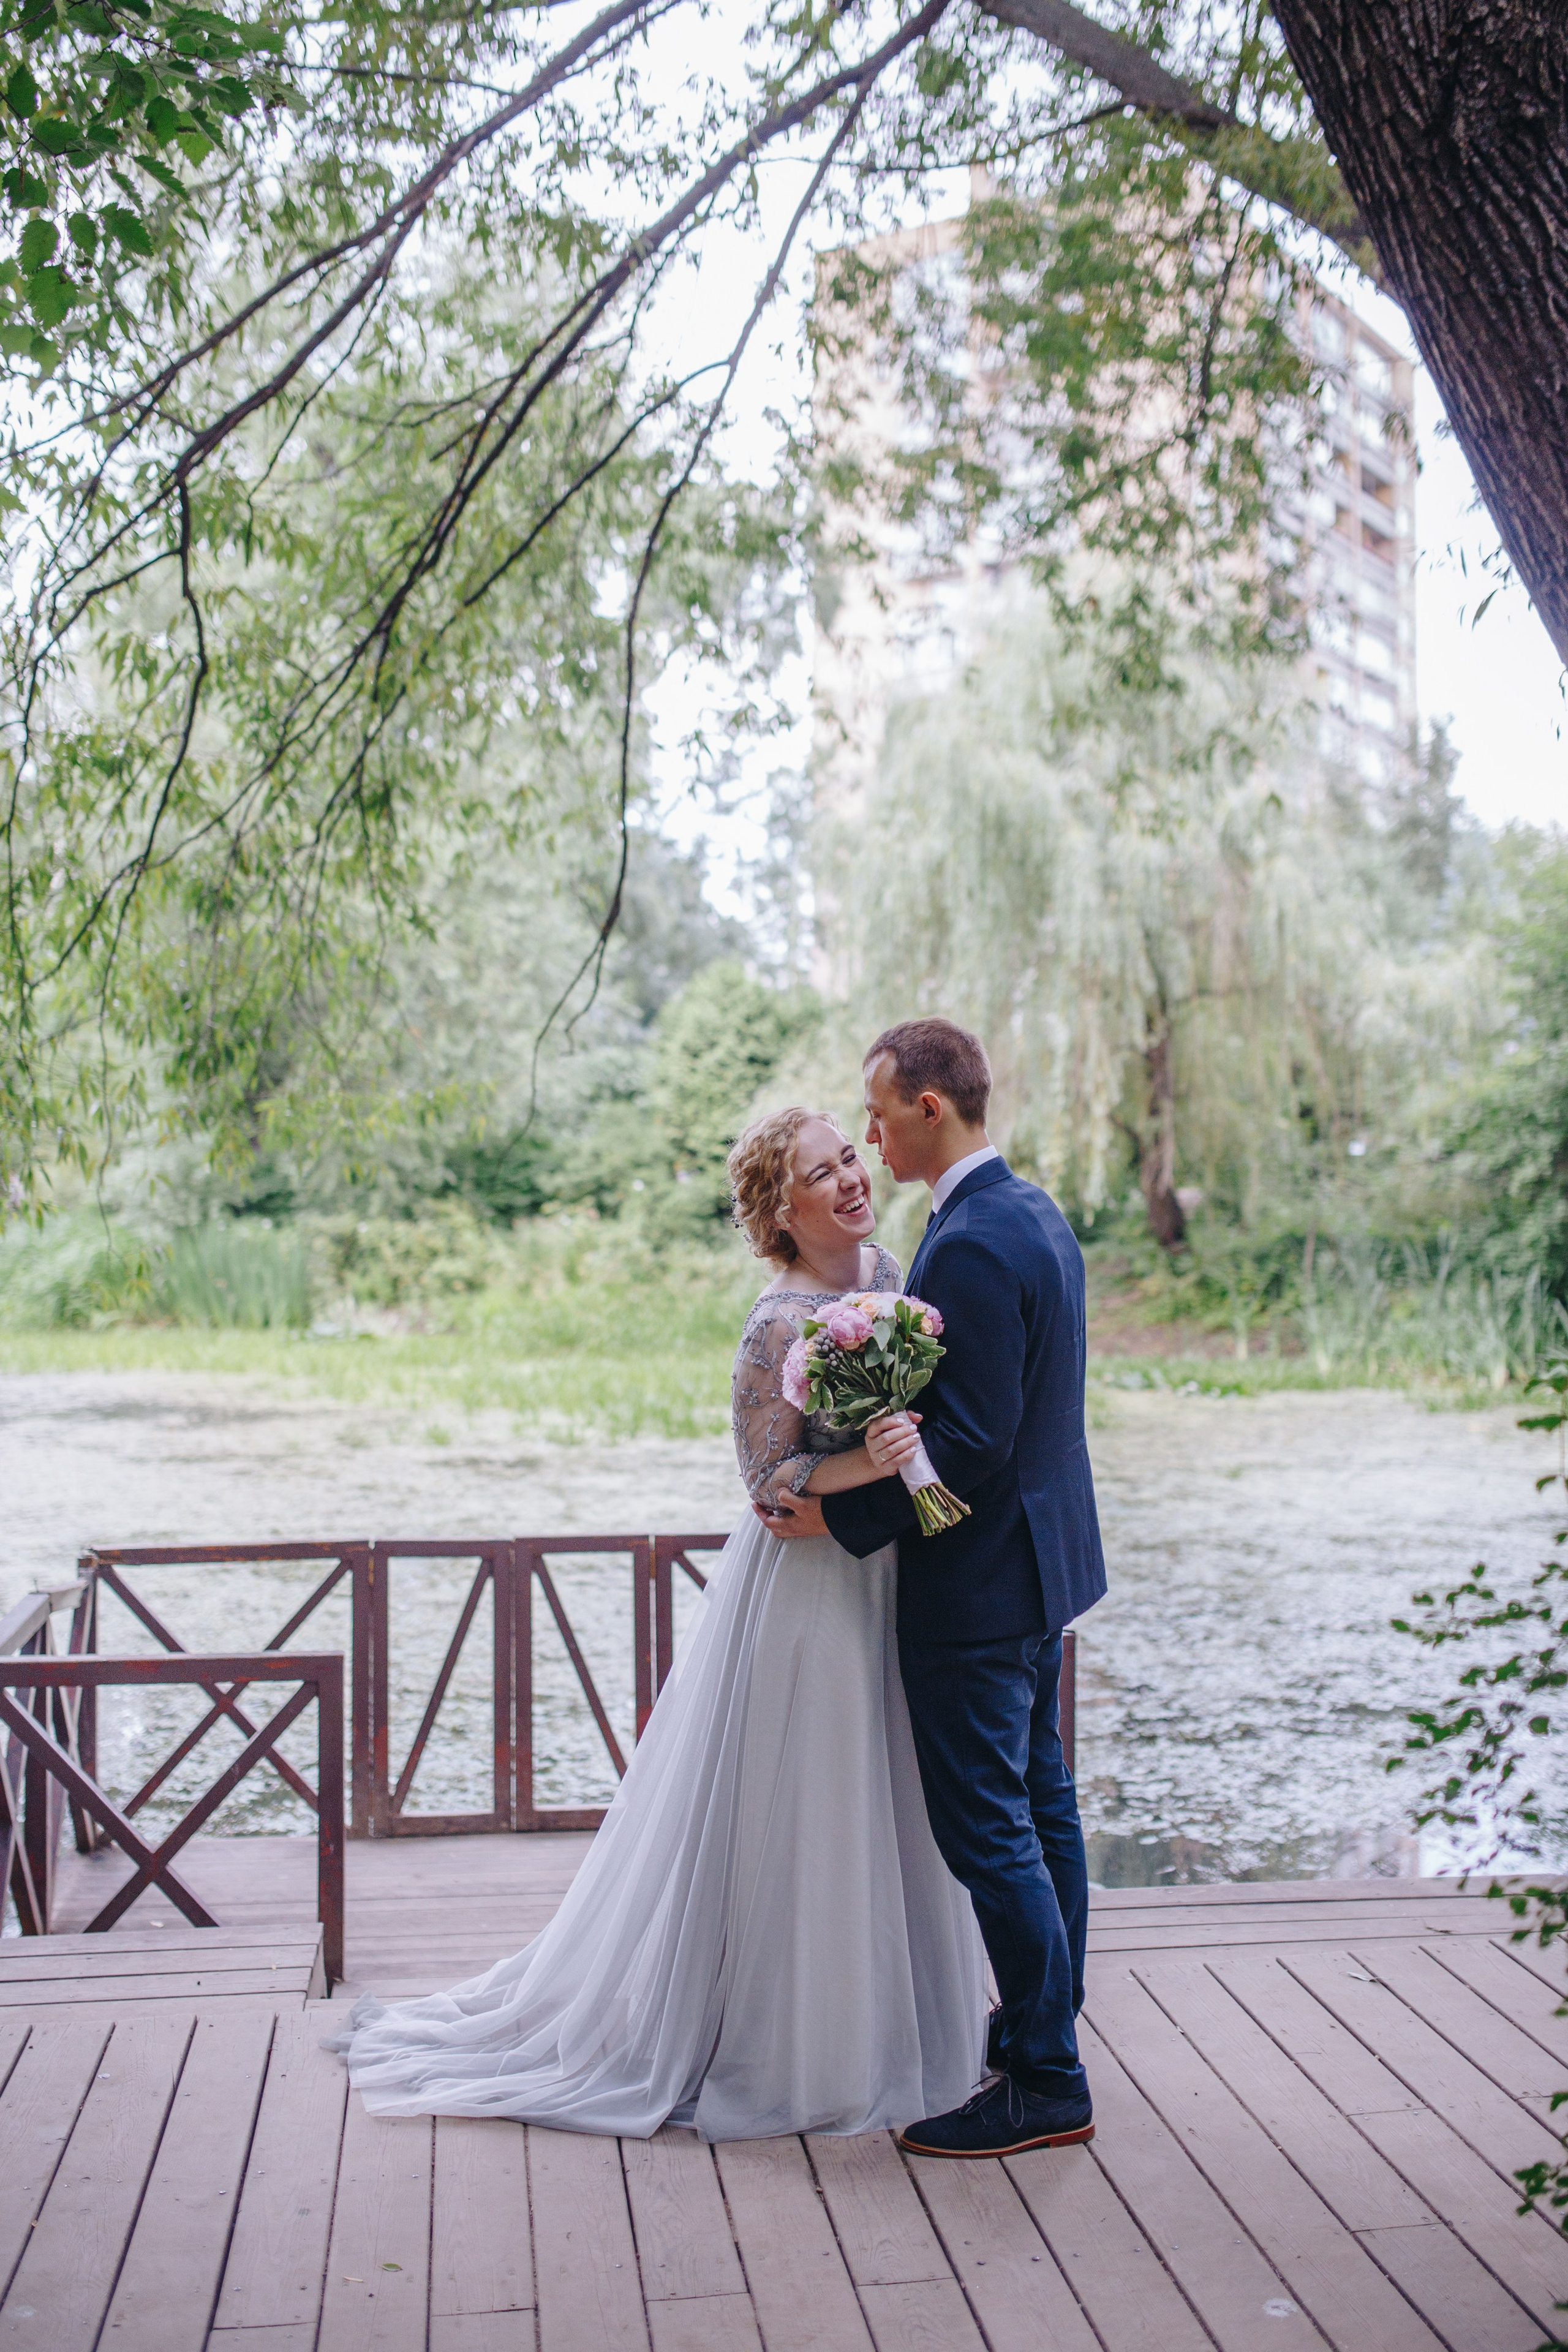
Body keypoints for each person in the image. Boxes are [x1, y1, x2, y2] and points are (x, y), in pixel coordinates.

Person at [327, 1102, 987, 2139]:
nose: (854, 1179)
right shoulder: (776, 1324)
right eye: (825, 1172)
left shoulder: (891, 1277)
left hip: (894, 1579)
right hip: (808, 1597)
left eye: (853, 1157)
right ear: (782, 1209)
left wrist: (905, 1456)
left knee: (897, 1795)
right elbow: (769, 1483)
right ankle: (798, 2050)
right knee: (817, 1805)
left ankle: (908, 2032)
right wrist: (878, 1458)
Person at [759, 1018, 1107, 2159]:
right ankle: (1041, 2027)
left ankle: (1046, 2079)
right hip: (1043, 1570)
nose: (867, 1138)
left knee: (990, 1831)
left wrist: (830, 1511)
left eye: (874, 1113)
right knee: (1042, 1804)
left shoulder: (964, 1244)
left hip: (978, 1587)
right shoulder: (1035, 1212)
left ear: (925, 1109)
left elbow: (969, 1440)